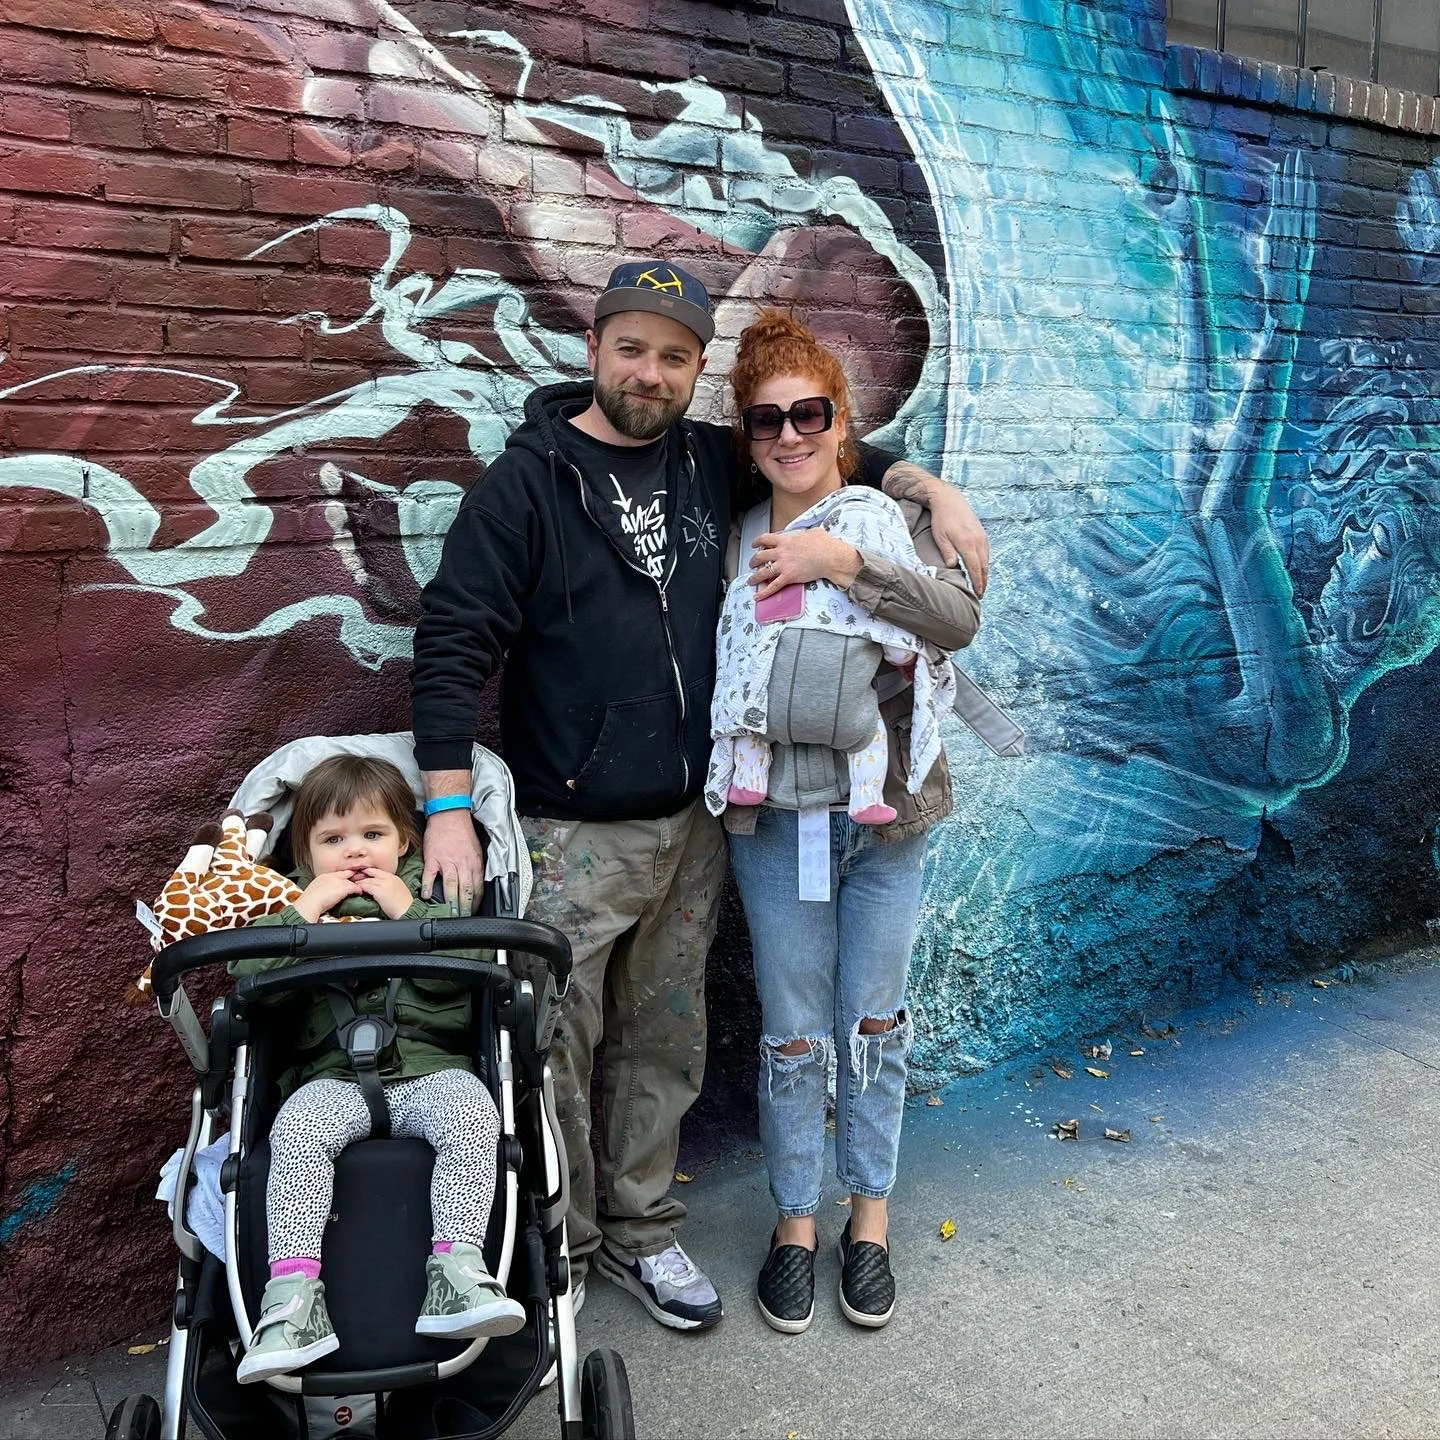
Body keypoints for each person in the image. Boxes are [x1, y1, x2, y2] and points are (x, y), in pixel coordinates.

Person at [410, 259, 988, 1332]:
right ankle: (564, 1253)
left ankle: (640, 1234)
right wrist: (446, 804)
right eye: (633, 348)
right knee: (563, 1053)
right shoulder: (529, 483)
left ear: (692, 375)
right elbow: (451, 641)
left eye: (675, 356)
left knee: (664, 1048)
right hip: (574, 832)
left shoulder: (699, 461)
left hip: (693, 827)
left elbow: (825, 452)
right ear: (596, 352)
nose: (651, 371)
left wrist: (934, 489)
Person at [718, 310, 980, 1334]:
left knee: (873, 1024)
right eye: (765, 421)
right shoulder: (731, 529)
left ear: (843, 424)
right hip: (780, 827)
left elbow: (955, 621)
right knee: (791, 1035)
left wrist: (843, 560)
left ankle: (869, 1219)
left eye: (809, 414)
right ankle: (796, 1225)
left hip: (887, 822)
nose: (787, 435)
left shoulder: (882, 515)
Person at [231, 755, 524, 1385]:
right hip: (331, 1083)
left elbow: (481, 961)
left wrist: (409, 913)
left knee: (472, 1109)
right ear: (306, 855)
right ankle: (292, 1301)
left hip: (424, 1074)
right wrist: (300, 917)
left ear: (405, 841)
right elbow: (248, 987)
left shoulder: (435, 897)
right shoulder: (292, 907)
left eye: (372, 836)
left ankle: (455, 1273)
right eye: (332, 841)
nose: (354, 854)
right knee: (298, 1128)